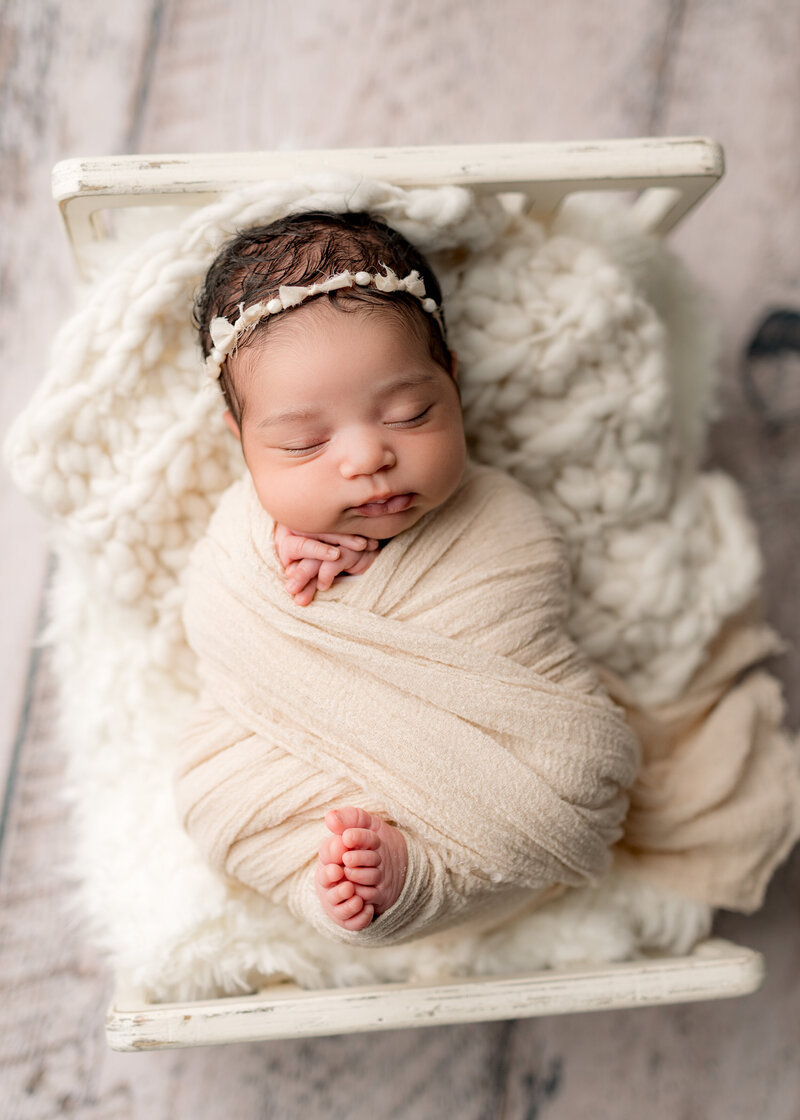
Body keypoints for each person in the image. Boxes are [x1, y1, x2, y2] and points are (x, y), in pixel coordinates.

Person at [179, 210, 637, 944]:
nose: (366, 459)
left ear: (453, 385)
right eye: (303, 443)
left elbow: (527, 579)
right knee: (212, 793)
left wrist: (370, 571)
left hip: (497, 783)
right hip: (292, 763)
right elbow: (214, 613)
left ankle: (413, 884)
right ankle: (326, 888)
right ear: (242, 442)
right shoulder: (246, 536)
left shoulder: (497, 512)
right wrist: (277, 561)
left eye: (409, 414)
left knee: (579, 777)